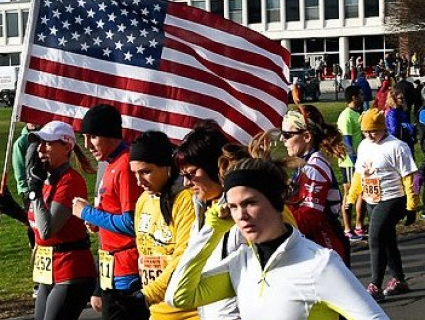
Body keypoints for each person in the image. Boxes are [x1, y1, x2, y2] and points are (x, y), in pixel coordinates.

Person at [165, 153, 391, 320]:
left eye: (250, 203)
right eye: (233, 207)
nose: (241, 216)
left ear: (276, 200)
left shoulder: (319, 263)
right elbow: (179, 296)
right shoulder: (242, 262)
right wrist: (212, 228)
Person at [72, 104, 145, 320]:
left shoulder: (124, 165)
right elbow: (113, 211)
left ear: (111, 134)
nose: (87, 145)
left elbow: (132, 224)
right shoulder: (109, 163)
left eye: (93, 137)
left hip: (128, 268)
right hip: (110, 266)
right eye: (84, 137)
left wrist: (88, 213)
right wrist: (97, 220)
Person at [346, 108, 418, 301]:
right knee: (387, 239)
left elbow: (410, 178)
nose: (370, 135)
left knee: (375, 237)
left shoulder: (397, 146)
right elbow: (359, 175)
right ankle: (400, 280)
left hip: (393, 198)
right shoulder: (363, 146)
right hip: (372, 199)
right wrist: (351, 199)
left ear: (383, 128)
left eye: (374, 131)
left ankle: (374, 285)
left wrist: (412, 206)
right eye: (366, 131)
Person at [27, 121, 97, 320]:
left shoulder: (70, 181)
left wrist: (35, 193)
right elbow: (34, 224)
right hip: (48, 270)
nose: (40, 149)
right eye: (39, 143)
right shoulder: (45, 180)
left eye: (48, 144)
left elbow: (47, 229)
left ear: (67, 147)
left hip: (71, 269)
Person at [280, 105, 350, 265]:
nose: (282, 140)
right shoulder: (305, 163)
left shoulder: (314, 167)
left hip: (325, 245)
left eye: (287, 135)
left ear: (306, 136)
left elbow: (309, 218)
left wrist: (277, 219)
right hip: (314, 244)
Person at [11, 122, 40, 297]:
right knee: (36, 238)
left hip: (48, 191)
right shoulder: (21, 143)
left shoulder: (46, 136)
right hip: (31, 195)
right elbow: (20, 175)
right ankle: (38, 281)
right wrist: (29, 194)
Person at [337, 86, 366, 241]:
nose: (363, 96)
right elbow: (346, 141)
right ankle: (347, 229)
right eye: (361, 94)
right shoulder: (346, 116)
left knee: (362, 193)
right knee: (349, 195)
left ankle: (359, 226)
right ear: (354, 98)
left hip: (360, 161)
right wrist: (355, 161)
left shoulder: (357, 114)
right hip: (349, 162)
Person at [385, 89, 416, 157]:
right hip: (399, 143)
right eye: (400, 98)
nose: (403, 100)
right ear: (394, 99)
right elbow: (394, 130)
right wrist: (408, 126)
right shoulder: (392, 113)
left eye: (403, 98)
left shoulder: (400, 110)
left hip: (405, 140)